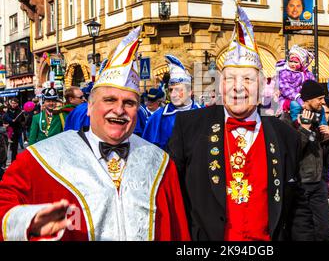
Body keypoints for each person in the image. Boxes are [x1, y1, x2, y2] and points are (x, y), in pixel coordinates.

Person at [0, 27, 190, 241]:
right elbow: (4, 203)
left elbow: (178, 230)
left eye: (129, 103)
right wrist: (28, 222)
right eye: (109, 100)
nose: (119, 110)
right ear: (89, 107)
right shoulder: (42, 158)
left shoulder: (160, 163)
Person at [168, 5, 314, 241]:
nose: (238, 87)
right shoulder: (189, 127)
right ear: (220, 85)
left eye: (247, 79)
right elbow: (174, 200)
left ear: (261, 87)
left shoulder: (286, 135)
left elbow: (297, 207)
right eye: (230, 79)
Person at [293, 80, 329, 241]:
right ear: (308, 99)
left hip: (318, 181)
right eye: (320, 98)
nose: (323, 102)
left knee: (324, 229)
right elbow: (293, 150)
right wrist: (303, 129)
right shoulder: (290, 118)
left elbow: (318, 150)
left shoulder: (318, 119)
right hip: (301, 183)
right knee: (304, 231)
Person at [142, 55, 201, 151]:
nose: (173, 94)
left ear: (190, 91)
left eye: (178, 90)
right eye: (170, 90)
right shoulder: (157, 118)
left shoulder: (203, 114)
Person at [277, 45, 315, 116]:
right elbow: (285, 88)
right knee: (296, 105)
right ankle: (296, 123)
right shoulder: (285, 72)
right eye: (291, 61)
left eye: (296, 62)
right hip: (287, 99)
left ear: (302, 63)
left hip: (304, 99)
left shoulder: (308, 74)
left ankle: (323, 124)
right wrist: (297, 97)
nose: (292, 64)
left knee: (320, 108)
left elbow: (313, 86)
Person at [3, 98, 25, 162]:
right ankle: (4, 161)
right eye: (12, 103)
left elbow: (21, 120)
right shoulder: (8, 109)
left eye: (15, 103)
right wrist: (8, 122)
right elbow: (5, 117)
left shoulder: (19, 111)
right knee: (5, 147)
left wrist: (16, 122)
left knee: (14, 148)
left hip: (16, 131)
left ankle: (13, 161)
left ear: (17, 104)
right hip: (7, 130)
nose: (13, 104)